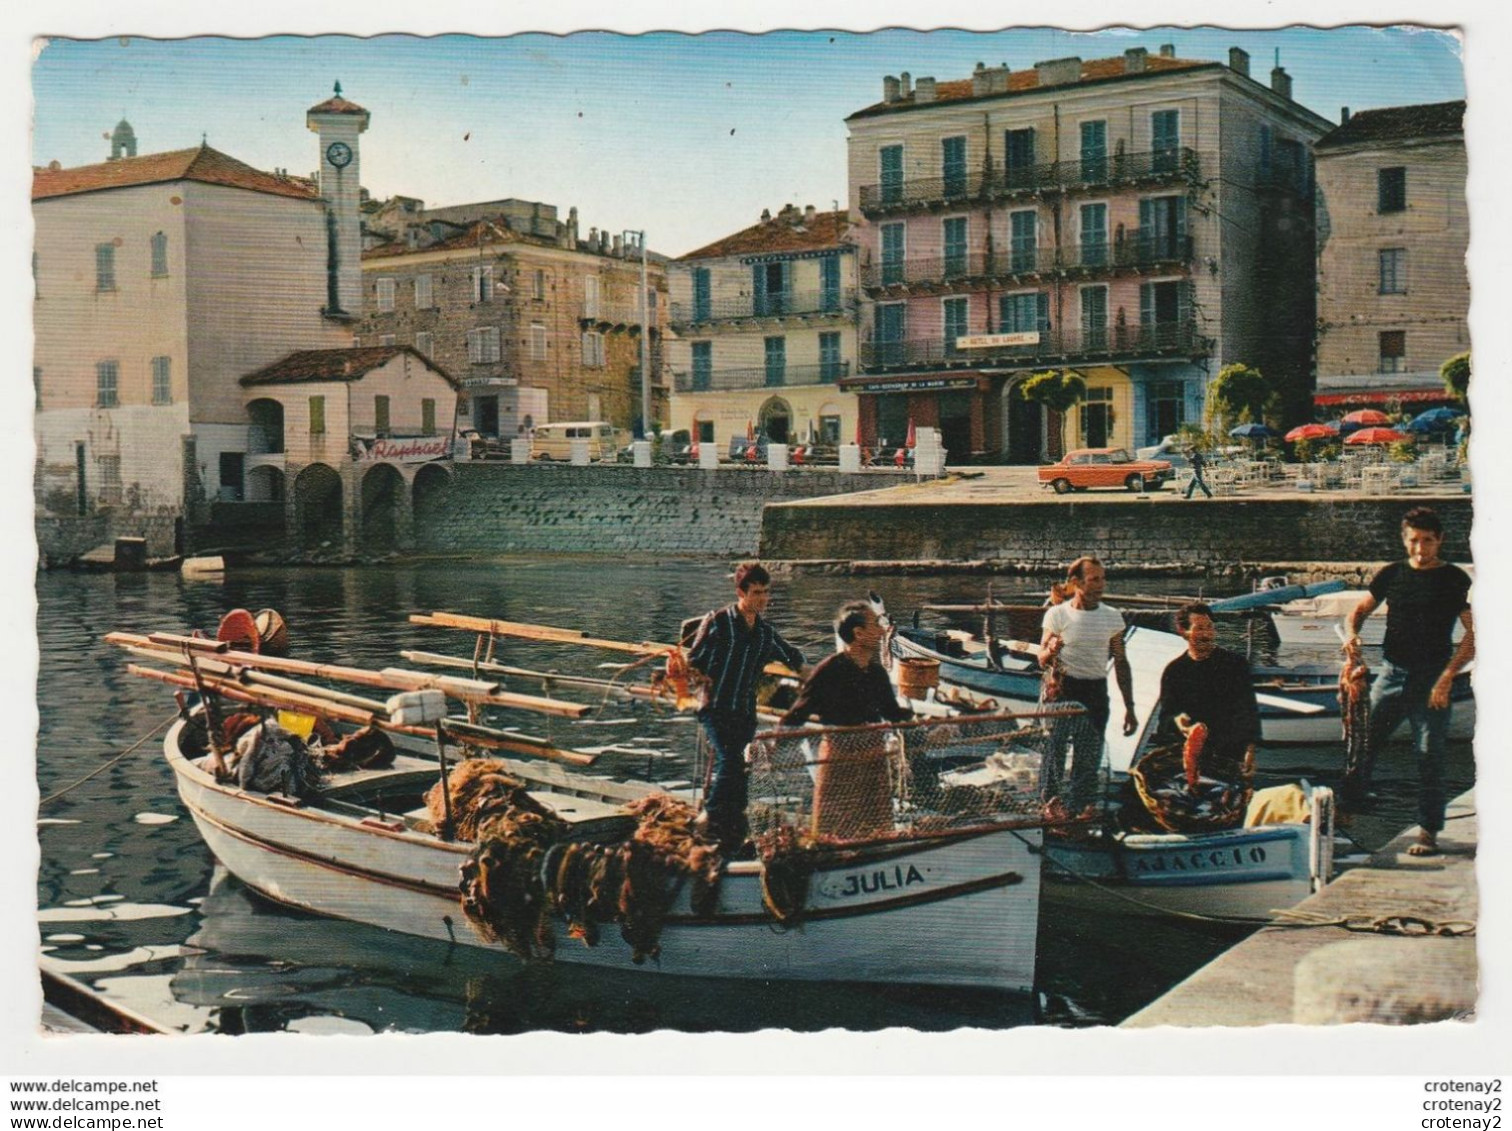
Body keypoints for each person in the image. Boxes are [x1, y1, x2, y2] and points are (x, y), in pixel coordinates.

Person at [1343, 506, 1474, 856]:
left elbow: (1474, 634)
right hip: (1391, 674)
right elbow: (1357, 612)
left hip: (1433, 680)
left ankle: (1428, 832)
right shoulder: (1391, 575)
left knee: (1429, 754)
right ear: (1404, 540)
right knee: (1362, 747)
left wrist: (1447, 678)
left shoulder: (1455, 580)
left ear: (1440, 540)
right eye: (1414, 541)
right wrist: (1352, 636)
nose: (1420, 549)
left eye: (1427, 541)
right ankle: (1345, 817)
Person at [686, 563, 807, 850]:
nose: (762, 599)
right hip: (715, 708)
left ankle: (732, 830)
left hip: (744, 711)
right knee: (729, 761)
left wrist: (821, 676)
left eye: (766, 592)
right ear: (740, 592)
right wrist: (696, 676)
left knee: (742, 771)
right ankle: (706, 819)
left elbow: (794, 659)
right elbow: (692, 661)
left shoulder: (765, 632)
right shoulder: (718, 621)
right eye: (756, 593)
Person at [780, 601, 912, 839]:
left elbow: (891, 712)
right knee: (835, 831)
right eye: (876, 625)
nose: (883, 631)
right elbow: (797, 714)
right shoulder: (829, 670)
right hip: (839, 759)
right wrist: (771, 744)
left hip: (873, 756)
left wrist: (918, 719)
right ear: (858, 633)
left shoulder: (876, 672)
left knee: (877, 828)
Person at [1037, 557, 1138, 812]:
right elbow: (1041, 659)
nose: (1101, 585)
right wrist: (1051, 649)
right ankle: (1049, 807)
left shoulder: (1112, 618)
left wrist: (1130, 706)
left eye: (1103, 579)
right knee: (1054, 750)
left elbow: (1121, 662)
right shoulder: (1057, 615)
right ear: (1076, 582)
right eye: (1094, 579)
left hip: (1095, 691)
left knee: (1089, 756)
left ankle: (1081, 810)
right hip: (1061, 689)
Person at [1154, 603, 1261, 785]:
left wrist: (1250, 752)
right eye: (1200, 628)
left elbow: (1249, 712)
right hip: (1191, 757)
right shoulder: (1174, 671)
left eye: (1210, 627)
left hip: (1230, 756)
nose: (1206, 634)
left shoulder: (1235, 664)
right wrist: (1179, 722)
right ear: (1183, 631)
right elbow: (1165, 719)